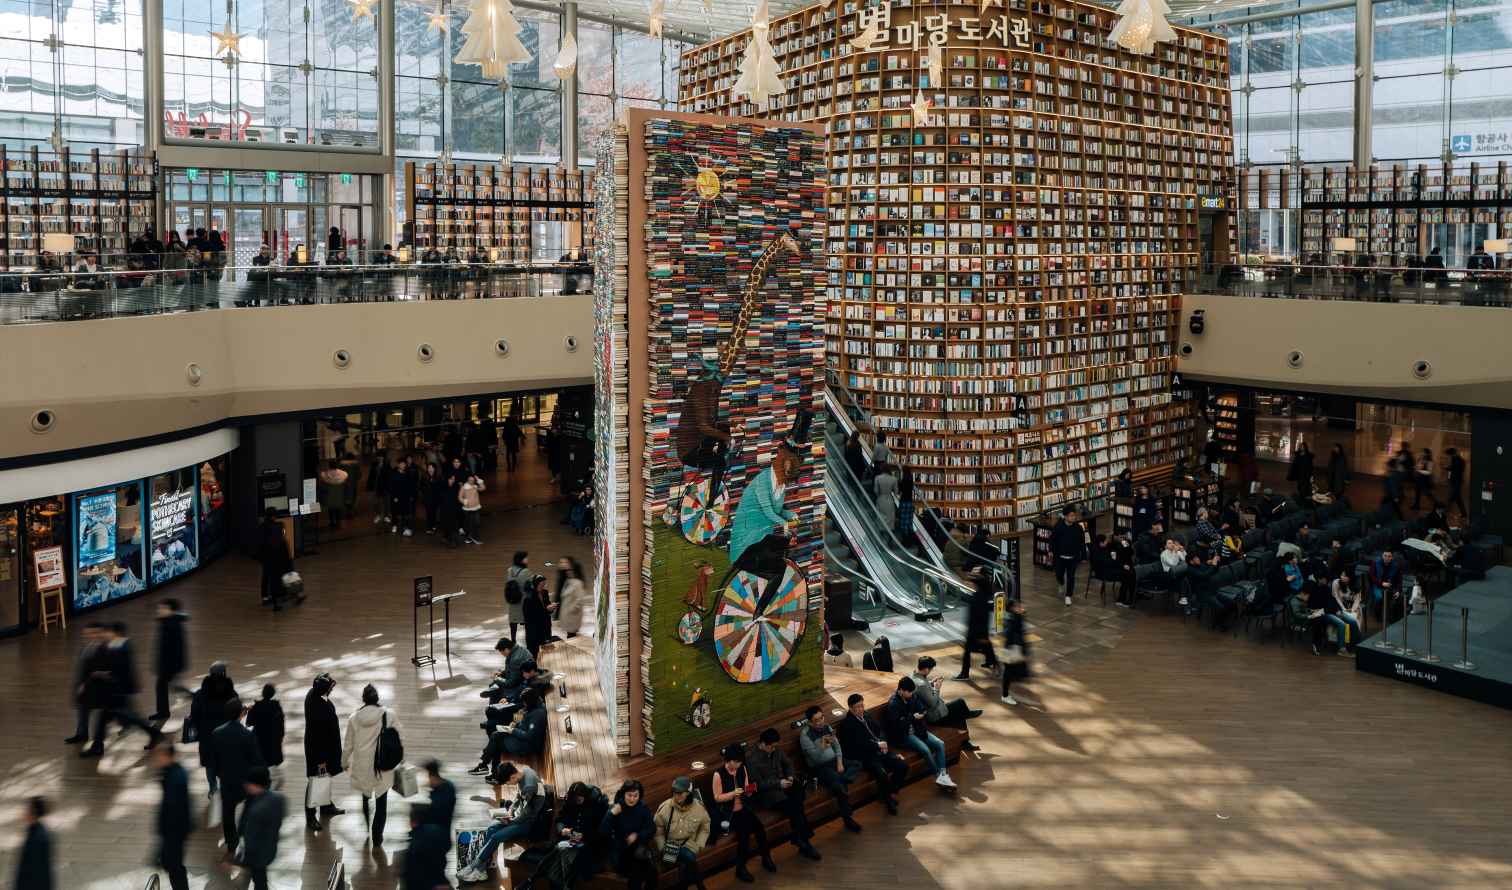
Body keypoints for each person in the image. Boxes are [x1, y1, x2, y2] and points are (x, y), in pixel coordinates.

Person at [746, 727, 827, 859]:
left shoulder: (776, 749)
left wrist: (789, 776)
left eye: (775, 747)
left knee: (799, 795)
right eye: (771, 747)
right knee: (796, 807)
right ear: (762, 744)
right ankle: (805, 842)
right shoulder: (752, 760)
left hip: (786, 785)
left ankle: (798, 837)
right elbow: (757, 785)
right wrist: (779, 783)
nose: (774, 749)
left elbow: (788, 764)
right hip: (770, 794)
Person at [457, 762, 545, 882]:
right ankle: (481, 869)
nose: (508, 785)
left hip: (528, 823)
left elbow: (527, 815)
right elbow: (518, 799)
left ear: (513, 776)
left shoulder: (528, 787)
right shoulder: (525, 771)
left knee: (496, 837)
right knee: (491, 829)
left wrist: (510, 821)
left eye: (507, 782)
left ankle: (474, 866)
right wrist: (510, 811)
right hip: (520, 817)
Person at [85, 622, 163, 756]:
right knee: (105, 718)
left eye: (108, 632)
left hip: (117, 690)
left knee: (128, 717)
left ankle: (154, 734)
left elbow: (118, 671)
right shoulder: (120, 645)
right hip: (117, 690)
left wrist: (102, 674)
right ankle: (97, 746)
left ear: (115, 633)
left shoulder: (121, 648)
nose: (105, 634)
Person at [343, 684, 402, 845]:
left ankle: (367, 828)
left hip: (362, 766)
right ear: (377, 698)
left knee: (365, 797)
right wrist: (401, 759)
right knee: (381, 802)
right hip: (383, 765)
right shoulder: (388, 715)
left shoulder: (354, 718)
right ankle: (377, 836)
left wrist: (344, 762)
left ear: (363, 699)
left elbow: (348, 744)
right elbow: (399, 738)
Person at [709, 744, 774, 882]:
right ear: (729, 760)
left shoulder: (742, 768)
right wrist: (733, 794)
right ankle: (741, 868)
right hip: (728, 813)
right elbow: (717, 798)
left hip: (743, 808)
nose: (738, 764)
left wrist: (749, 791)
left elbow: (745, 788)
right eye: (737, 762)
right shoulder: (718, 774)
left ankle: (766, 857)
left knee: (759, 828)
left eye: (740, 762)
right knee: (744, 834)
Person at [836, 693, 907, 814]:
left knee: (903, 766)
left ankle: (888, 792)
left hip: (880, 751)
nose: (861, 709)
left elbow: (879, 731)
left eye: (862, 705)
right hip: (866, 756)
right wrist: (877, 745)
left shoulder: (867, 715)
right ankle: (888, 799)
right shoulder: (847, 724)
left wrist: (884, 744)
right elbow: (858, 744)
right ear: (851, 708)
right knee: (881, 774)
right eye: (858, 707)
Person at [799, 706, 865, 833]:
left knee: (857, 764)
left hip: (835, 761)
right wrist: (824, 744)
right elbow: (816, 758)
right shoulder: (805, 736)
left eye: (821, 718)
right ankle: (848, 819)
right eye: (816, 720)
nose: (820, 722)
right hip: (820, 767)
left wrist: (840, 762)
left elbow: (837, 746)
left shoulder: (827, 727)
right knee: (839, 788)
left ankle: (844, 778)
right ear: (809, 721)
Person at [211, 697, 264, 851]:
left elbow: (213, 762)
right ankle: (245, 834)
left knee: (228, 813)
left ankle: (231, 842)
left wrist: (220, 775)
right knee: (249, 807)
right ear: (241, 714)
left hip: (227, 782)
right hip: (245, 782)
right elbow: (256, 761)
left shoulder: (217, 733)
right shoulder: (247, 735)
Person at [538, 781, 610, 889]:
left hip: (590, 844)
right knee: (560, 851)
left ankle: (561, 885)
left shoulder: (597, 807)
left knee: (562, 853)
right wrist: (562, 830)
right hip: (571, 840)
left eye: (580, 798)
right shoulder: (571, 803)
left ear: (585, 795)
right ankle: (561, 885)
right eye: (576, 798)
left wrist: (583, 836)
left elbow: (602, 832)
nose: (578, 800)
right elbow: (560, 819)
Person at [885, 676, 955, 788]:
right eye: (909, 692)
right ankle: (938, 776)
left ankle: (943, 774)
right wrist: (912, 717)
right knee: (925, 750)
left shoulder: (912, 696)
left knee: (940, 744)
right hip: (905, 735)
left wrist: (922, 713)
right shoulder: (893, 704)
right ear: (901, 690)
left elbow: (921, 707)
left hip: (919, 730)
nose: (911, 694)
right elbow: (897, 725)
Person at [303, 672, 346, 832]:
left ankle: (326, 805)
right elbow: (319, 737)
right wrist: (321, 760)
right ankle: (310, 816)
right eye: (330, 688)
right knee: (316, 782)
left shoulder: (313, 694)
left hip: (324, 750)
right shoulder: (318, 708)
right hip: (319, 753)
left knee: (324, 779)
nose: (332, 690)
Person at [654, 776, 712, 890]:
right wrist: (662, 848)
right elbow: (658, 832)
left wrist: (698, 845)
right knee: (689, 859)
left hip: (690, 844)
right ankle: (700, 885)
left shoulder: (698, 808)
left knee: (686, 862)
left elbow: (705, 827)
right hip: (670, 847)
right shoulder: (665, 808)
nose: (677, 796)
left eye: (680, 793)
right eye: (675, 792)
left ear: (689, 793)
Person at [188, 661, 237, 794]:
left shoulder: (200, 694)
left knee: (209, 764)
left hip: (206, 736)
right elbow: (236, 713)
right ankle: (224, 785)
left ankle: (212, 788)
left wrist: (197, 730)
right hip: (225, 736)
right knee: (224, 762)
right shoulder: (231, 693)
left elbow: (194, 714)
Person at [911, 656, 981, 744]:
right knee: (960, 704)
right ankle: (967, 718)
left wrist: (931, 683)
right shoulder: (921, 684)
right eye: (930, 669)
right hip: (935, 716)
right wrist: (937, 688)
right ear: (926, 669)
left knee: (959, 710)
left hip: (935, 711)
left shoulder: (914, 676)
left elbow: (923, 689)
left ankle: (965, 740)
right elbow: (932, 702)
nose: (930, 672)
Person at [603, 780, 657, 890]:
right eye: (629, 795)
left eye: (635, 796)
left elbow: (652, 828)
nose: (632, 799)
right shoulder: (616, 808)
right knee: (637, 874)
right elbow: (603, 831)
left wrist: (637, 835)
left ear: (639, 795)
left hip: (639, 851)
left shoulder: (642, 808)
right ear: (624, 794)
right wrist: (611, 814)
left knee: (653, 874)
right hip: (621, 852)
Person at [153, 743, 192, 890]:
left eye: (158, 756)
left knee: (174, 867)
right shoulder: (174, 771)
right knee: (173, 865)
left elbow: (173, 808)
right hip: (174, 830)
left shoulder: (176, 777)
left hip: (174, 831)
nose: (156, 760)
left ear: (166, 756)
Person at [479, 688, 548, 769]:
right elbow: (523, 718)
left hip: (525, 746)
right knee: (496, 735)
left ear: (529, 702)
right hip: (519, 737)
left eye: (525, 702)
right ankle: (485, 763)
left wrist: (512, 730)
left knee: (495, 740)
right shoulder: (533, 706)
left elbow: (529, 736)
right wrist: (515, 722)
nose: (524, 704)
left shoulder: (538, 715)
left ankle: (485, 764)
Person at [239, 766, 284, 890]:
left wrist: (239, 860)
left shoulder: (256, 810)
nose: (245, 785)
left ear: (255, 785)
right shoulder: (278, 799)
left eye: (248, 783)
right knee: (261, 877)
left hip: (257, 855)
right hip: (270, 846)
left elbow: (250, 840)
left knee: (259, 880)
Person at [65, 624, 107, 745]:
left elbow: (97, 671)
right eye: (86, 634)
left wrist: (85, 684)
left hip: (94, 688)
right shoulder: (86, 647)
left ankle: (97, 742)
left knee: (99, 715)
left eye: (91, 633)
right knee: (82, 711)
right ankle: (81, 734)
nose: (88, 636)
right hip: (84, 686)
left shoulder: (102, 649)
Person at [149, 599, 189, 721]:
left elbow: (176, 648)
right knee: (172, 687)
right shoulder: (168, 622)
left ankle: (163, 713)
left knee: (164, 687)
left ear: (170, 610)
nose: (159, 610)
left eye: (162, 608)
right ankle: (163, 712)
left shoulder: (172, 625)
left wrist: (169, 666)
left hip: (169, 665)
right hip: (168, 665)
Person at [956, 566, 999, 677]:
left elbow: (980, 615)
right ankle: (993, 663)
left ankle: (964, 673)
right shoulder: (982, 592)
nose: (973, 573)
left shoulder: (980, 595)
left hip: (977, 628)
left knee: (969, 649)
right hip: (979, 628)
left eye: (976, 572)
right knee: (985, 646)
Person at [403, 802, 451, 890]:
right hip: (440, 881)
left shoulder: (415, 842)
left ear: (413, 822)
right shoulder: (440, 832)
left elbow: (410, 872)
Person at [1312, 572, 1361, 655]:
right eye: (1324, 579)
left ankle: (1355, 644)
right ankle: (1341, 648)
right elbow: (1319, 607)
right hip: (1324, 613)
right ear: (1319, 579)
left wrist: (1338, 610)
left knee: (1353, 621)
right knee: (1342, 624)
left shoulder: (1326, 588)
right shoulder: (1314, 589)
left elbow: (1333, 600)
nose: (1326, 580)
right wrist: (1335, 611)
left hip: (1334, 610)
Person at [257, 508, 294, 609]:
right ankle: (287, 595)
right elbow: (281, 541)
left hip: (266, 557)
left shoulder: (261, 527)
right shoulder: (279, 526)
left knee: (266, 576)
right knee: (281, 575)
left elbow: (260, 544)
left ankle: (265, 598)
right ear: (274, 516)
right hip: (278, 556)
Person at [13, 797, 52, 890]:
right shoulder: (34, 830)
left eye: (26, 809)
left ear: (33, 813)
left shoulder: (38, 836)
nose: (23, 812)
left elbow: (35, 871)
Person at [1051, 508, 1086, 605]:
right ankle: (1061, 583)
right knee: (1059, 574)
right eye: (1071, 515)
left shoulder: (1078, 528)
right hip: (1060, 557)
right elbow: (1052, 540)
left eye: (1074, 515)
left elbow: (1082, 542)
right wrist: (1051, 551)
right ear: (1065, 516)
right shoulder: (1058, 527)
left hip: (1073, 557)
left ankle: (1068, 595)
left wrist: (1083, 556)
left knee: (1071, 577)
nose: (1073, 517)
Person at [1000, 599, 1031, 705]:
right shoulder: (1014, 618)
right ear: (1013, 608)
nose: (1020, 607)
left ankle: (1006, 693)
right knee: (1008, 673)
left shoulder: (1010, 616)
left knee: (1009, 671)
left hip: (1009, 648)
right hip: (1012, 649)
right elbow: (1015, 633)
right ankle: (1005, 695)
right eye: (1017, 606)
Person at [247, 683, 285, 768]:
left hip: (259, 741)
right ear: (273, 693)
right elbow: (281, 725)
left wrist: (250, 711)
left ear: (262, 693)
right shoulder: (277, 707)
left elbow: (249, 723)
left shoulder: (256, 706)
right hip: (272, 743)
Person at [1369, 550, 1405, 620]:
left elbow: (1399, 581)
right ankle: (1378, 616)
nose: (1387, 558)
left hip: (1391, 587)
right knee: (1379, 598)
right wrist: (1382, 583)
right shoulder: (1375, 563)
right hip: (1378, 585)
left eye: (1389, 556)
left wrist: (1398, 591)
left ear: (1392, 557)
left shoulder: (1396, 566)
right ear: (1382, 556)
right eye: (1385, 556)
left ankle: (1394, 618)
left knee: (1399, 597)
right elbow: (1372, 577)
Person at [390, 455, 419, 536]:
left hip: (405, 496)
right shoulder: (394, 474)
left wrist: (410, 496)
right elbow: (392, 486)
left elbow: (410, 485)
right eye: (401, 464)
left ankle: (404, 526)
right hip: (396, 497)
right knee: (395, 512)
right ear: (398, 464)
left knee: (404, 513)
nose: (403, 465)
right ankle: (394, 525)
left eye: (404, 464)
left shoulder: (407, 473)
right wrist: (394, 496)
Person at [506, 551, 531, 642]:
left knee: (513, 620)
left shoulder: (509, 570)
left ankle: (513, 639)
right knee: (526, 619)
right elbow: (529, 586)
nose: (527, 559)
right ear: (521, 560)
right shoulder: (525, 571)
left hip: (512, 600)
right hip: (523, 601)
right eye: (525, 558)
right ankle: (528, 638)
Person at [458, 472, 484, 544]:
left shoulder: (475, 486)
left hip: (476, 508)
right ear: (467, 480)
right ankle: (469, 538)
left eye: (472, 480)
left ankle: (474, 538)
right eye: (470, 480)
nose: (471, 482)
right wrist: (464, 502)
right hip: (467, 509)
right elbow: (459, 497)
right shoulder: (464, 487)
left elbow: (483, 488)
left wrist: (478, 480)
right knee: (468, 524)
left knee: (477, 523)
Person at [873, 462, 898, 529]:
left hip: (880, 499)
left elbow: (876, 491)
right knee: (890, 518)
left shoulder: (877, 478)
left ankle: (881, 533)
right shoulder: (894, 479)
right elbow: (896, 492)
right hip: (889, 499)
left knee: (880, 517)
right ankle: (889, 535)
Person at [1445, 446, 1468, 519]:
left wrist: (1447, 468)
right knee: (1458, 498)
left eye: (1449, 454)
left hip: (1456, 481)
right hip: (1457, 480)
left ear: (1452, 453)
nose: (1449, 456)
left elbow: (1454, 469)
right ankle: (1464, 513)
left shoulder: (1456, 459)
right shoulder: (1460, 459)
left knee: (1451, 497)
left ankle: (1445, 511)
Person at [897, 465, 916, 540]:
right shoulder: (911, 478)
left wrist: (899, 482)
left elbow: (900, 490)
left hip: (904, 501)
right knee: (909, 521)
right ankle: (911, 538)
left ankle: (905, 539)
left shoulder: (904, 479)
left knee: (903, 522)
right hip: (910, 501)